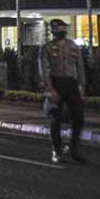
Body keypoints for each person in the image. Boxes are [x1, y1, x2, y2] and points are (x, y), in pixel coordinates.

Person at [39, 18, 87, 164]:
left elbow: (79, 67)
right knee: (56, 118)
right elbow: (44, 70)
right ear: (53, 31)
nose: (61, 31)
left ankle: (74, 149)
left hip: (71, 84)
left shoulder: (73, 46)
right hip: (55, 83)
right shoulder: (46, 48)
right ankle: (57, 151)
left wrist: (82, 85)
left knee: (79, 116)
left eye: (63, 28)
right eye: (58, 28)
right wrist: (49, 89)